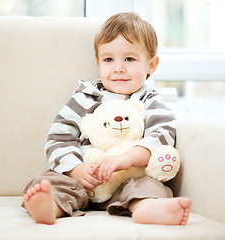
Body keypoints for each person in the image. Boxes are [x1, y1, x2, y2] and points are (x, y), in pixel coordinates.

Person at [23, 12, 191, 225]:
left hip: (129, 179)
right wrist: (75, 169)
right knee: (50, 181)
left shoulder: (150, 101)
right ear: (98, 62)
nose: (118, 67)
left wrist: (127, 158)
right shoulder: (84, 98)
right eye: (108, 59)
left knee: (150, 186)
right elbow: (59, 137)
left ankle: (147, 208)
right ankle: (49, 206)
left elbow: (162, 135)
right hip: (85, 180)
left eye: (129, 59)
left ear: (151, 65)